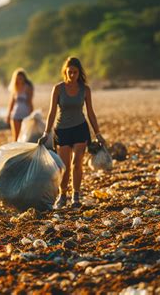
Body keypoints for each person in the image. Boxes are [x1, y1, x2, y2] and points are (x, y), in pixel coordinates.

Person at [38, 57, 106, 208]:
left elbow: (90, 112)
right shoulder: (58, 88)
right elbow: (51, 112)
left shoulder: (85, 89)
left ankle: (76, 195)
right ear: (65, 72)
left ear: (79, 72)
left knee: (77, 164)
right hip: (62, 130)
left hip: (80, 128)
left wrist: (98, 133)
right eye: (70, 72)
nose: (72, 75)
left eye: (75, 72)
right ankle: (62, 195)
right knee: (65, 166)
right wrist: (46, 132)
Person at [5, 69, 34, 141]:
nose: (19, 80)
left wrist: (32, 114)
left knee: (25, 136)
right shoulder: (15, 87)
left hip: (25, 114)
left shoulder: (28, 87)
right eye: (18, 78)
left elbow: (30, 102)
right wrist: (8, 115)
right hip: (15, 115)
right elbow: (11, 103)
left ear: (24, 78)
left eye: (21, 78)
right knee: (16, 137)